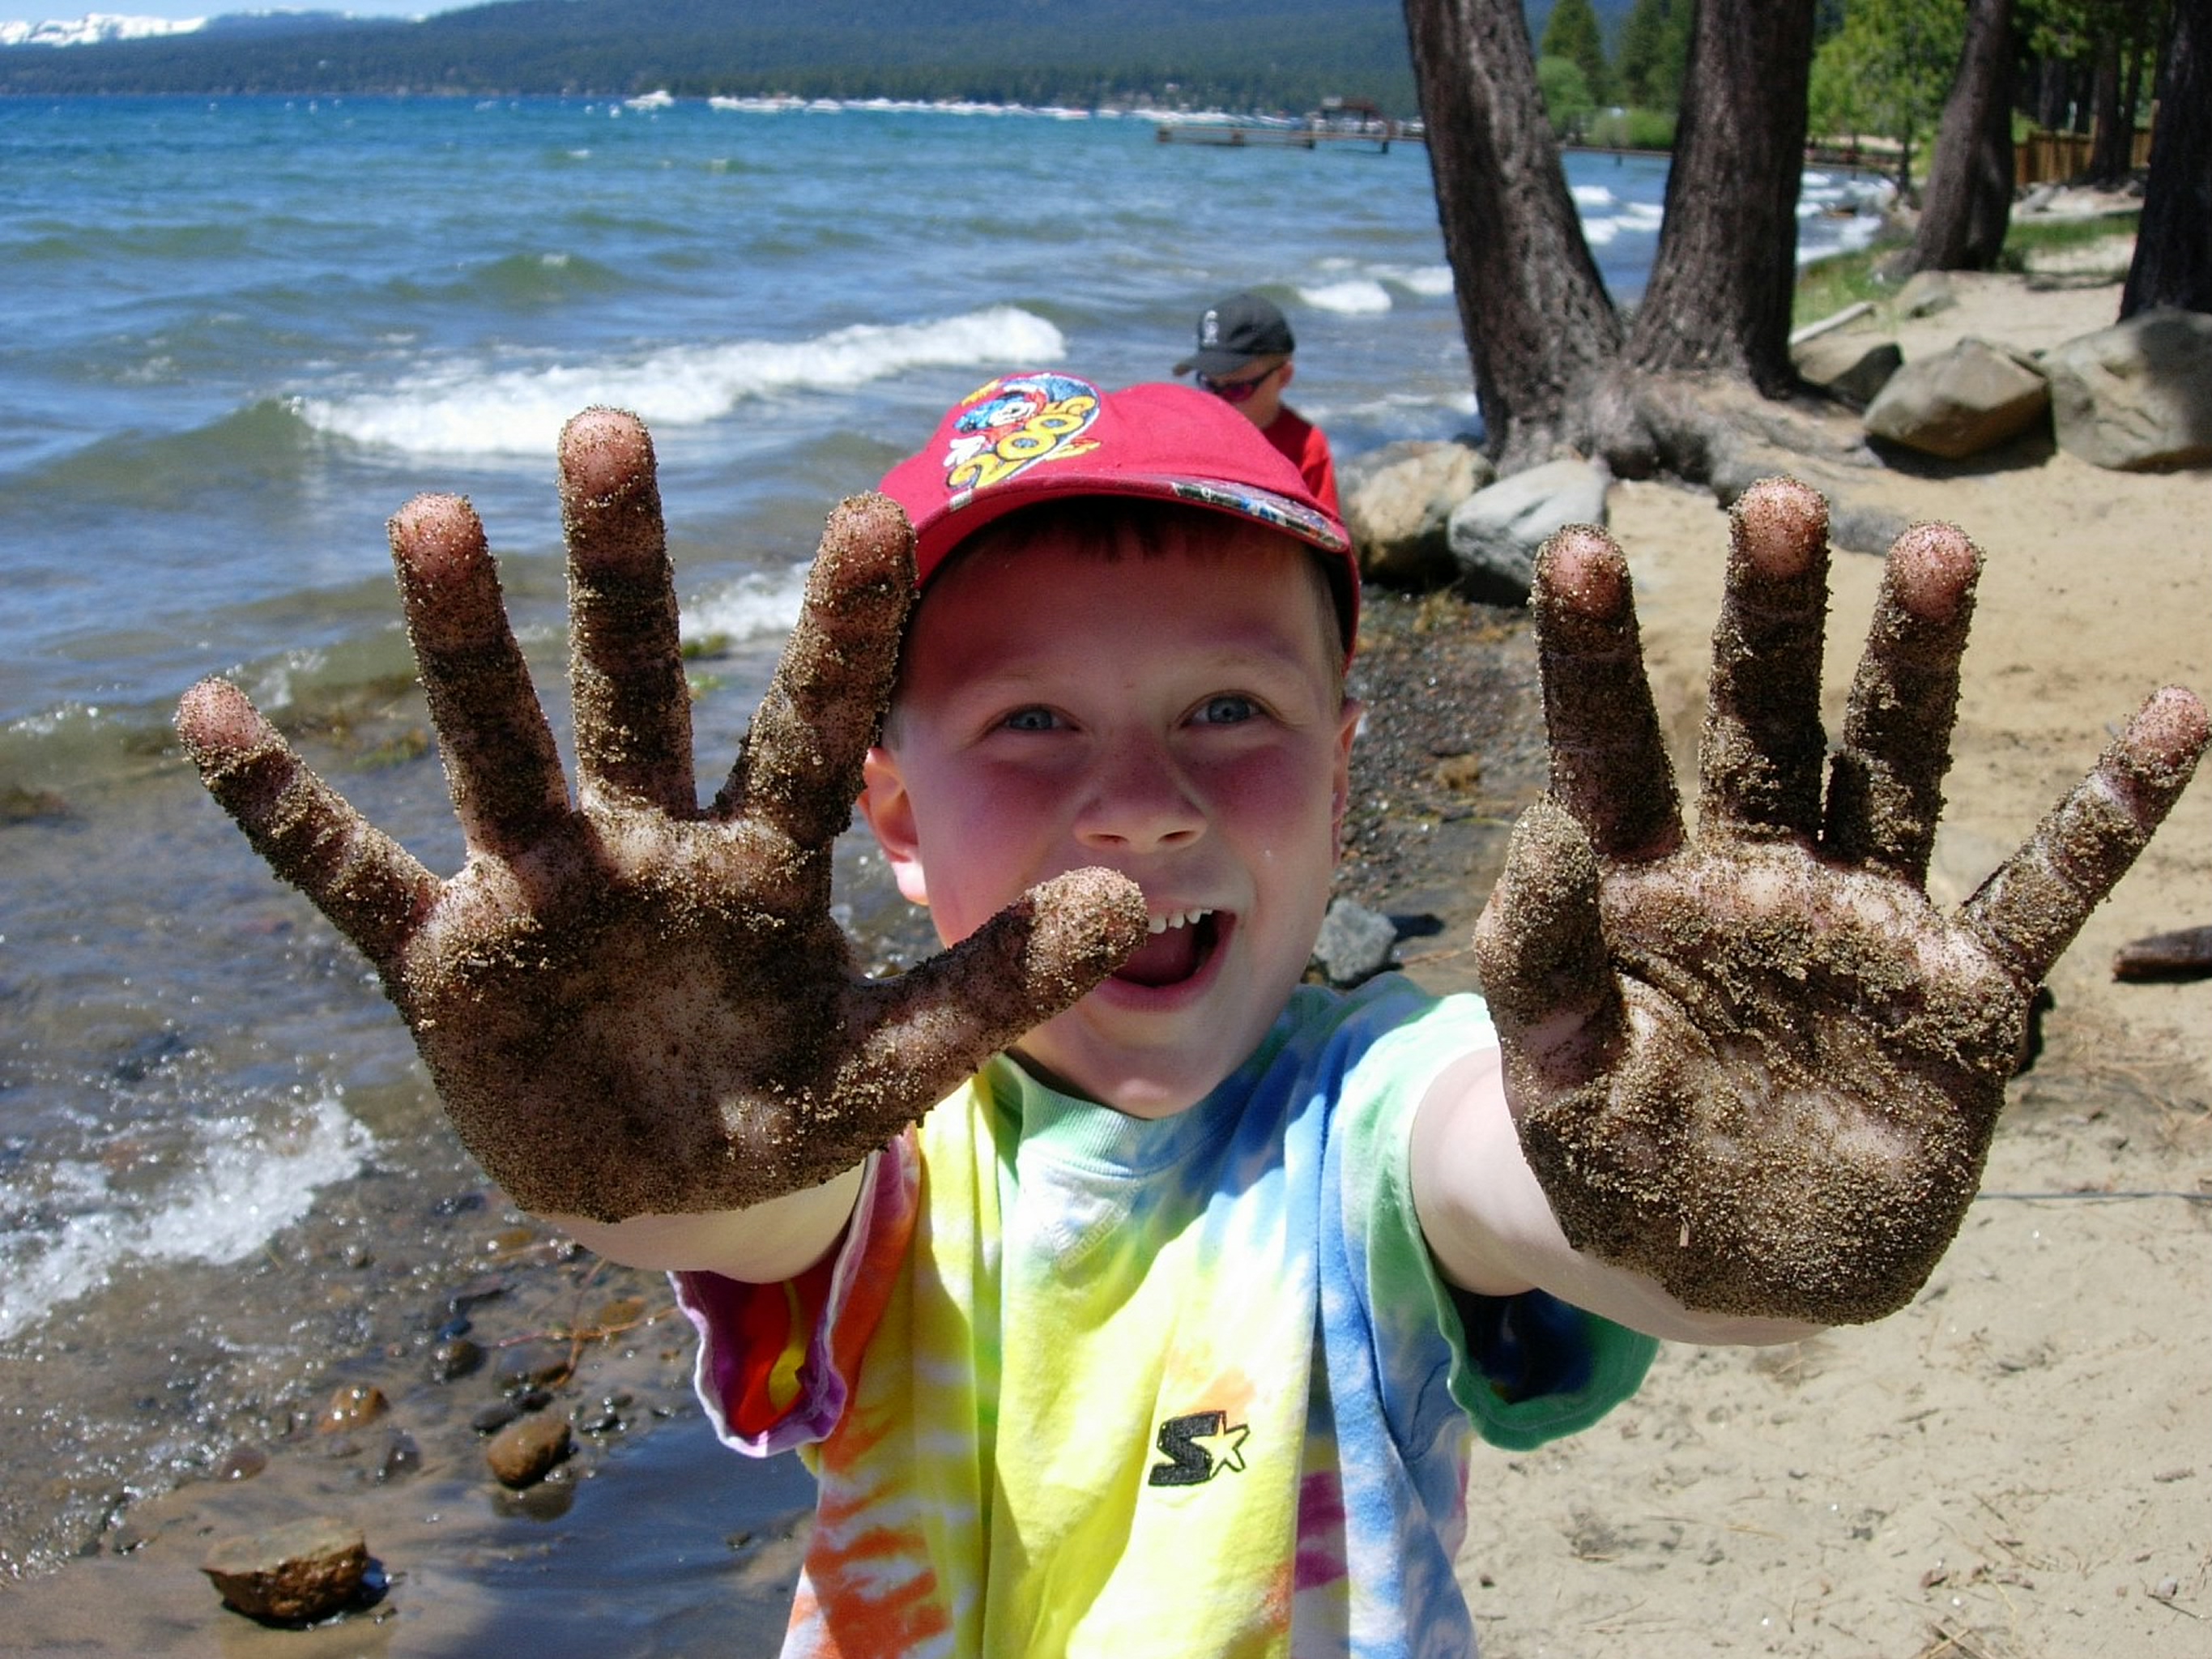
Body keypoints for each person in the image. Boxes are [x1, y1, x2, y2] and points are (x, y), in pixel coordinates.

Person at [175, 374, 2206, 1657]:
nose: (1140, 801)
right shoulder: (883, 1141)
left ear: (1341, 769)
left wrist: (1746, 1200)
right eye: (1028, 722)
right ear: (888, 817)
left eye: (1229, 708)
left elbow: (1541, 1181)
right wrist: (627, 1126)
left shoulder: (1382, 1111)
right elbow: (740, 1200)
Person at [1174, 291, 1339, 514]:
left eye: (1237, 389)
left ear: (1283, 376)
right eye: (1209, 385)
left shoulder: (1305, 447)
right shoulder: (1188, 437)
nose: (1219, 400)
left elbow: (1325, 530)